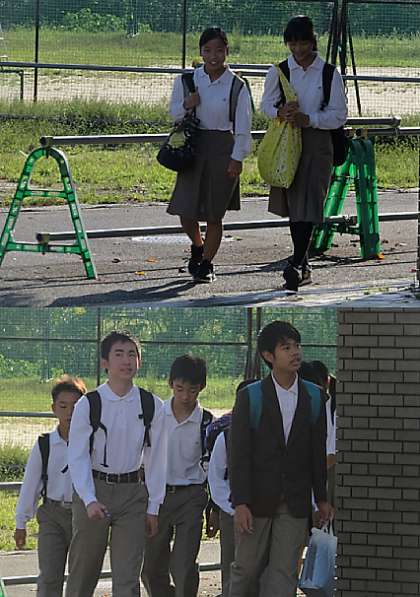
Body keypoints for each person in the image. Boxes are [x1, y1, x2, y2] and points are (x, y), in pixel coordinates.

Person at [228, 321, 331, 597]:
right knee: (246, 569)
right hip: (256, 500)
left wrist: (321, 498)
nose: (295, 352)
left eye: (297, 346)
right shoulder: (251, 397)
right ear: (268, 355)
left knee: (284, 571)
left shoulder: (315, 396)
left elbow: (317, 452)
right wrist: (240, 502)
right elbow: (239, 455)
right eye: (286, 348)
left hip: (295, 500)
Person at [65, 331, 167, 597]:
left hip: (133, 493)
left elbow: (156, 458)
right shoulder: (89, 404)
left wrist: (154, 506)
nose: (126, 361)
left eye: (132, 354)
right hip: (95, 489)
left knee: (128, 576)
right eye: (119, 354)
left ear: (139, 361)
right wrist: (88, 499)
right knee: (83, 571)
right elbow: (77, 456)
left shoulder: (152, 405)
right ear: (105, 363)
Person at [260, 15, 348, 291]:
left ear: (313, 42)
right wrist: (280, 112)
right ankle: (302, 264)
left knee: (309, 202)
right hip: (287, 140)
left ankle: (296, 262)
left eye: (303, 43)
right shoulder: (279, 71)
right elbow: (265, 105)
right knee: (295, 203)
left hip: (317, 142)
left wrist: (310, 119)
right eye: (293, 43)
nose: (298, 49)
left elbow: (339, 115)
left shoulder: (329, 73)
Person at [167, 26, 253, 283]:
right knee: (185, 209)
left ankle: (206, 263)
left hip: (223, 148)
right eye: (207, 50)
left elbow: (243, 126)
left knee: (215, 213)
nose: (213, 56)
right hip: (193, 146)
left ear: (227, 51)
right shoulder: (188, 80)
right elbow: (173, 113)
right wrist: (187, 104)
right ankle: (197, 245)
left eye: (219, 50)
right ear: (200, 52)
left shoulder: (237, 86)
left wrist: (237, 158)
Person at [141, 355, 213, 597]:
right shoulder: (156, 416)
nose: (185, 396)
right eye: (180, 389)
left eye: (192, 390)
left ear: (201, 388)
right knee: (151, 566)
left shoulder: (206, 422)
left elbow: (212, 463)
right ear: (170, 383)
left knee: (183, 564)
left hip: (191, 496)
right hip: (156, 495)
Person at [14, 375, 86, 597]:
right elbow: (30, 485)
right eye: (63, 406)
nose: (70, 412)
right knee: (49, 576)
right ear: (53, 408)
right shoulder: (45, 444)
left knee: (81, 577)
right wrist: (21, 522)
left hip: (83, 515)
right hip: (52, 514)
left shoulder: (92, 443)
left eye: (76, 406)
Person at [207, 380, 259, 597]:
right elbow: (216, 478)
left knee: (260, 568)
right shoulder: (225, 436)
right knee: (232, 564)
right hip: (232, 511)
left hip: (265, 511)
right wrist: (234, 508)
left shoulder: (276, 435)